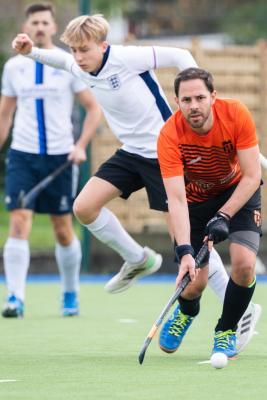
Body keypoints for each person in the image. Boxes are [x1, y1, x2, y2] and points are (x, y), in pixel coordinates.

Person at [11, 14, 261, 351]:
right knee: (84, 207)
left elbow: (178, 57)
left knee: (183, 237)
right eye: (74, 50)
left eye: (83, 50)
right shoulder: (79, 65)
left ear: (103, 46)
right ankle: (138, 258)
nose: (77, 57)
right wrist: (31, 53)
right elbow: (60, 60)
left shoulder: (127, 57)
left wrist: (192, 85)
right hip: (131, 153)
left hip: (165, 151)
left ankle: (241, 314)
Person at [0, 3, 102, 318]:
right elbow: (5, 115)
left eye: (45, 22)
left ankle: (70, 291)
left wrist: (80, 146)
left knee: (62, 228)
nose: (40, 27)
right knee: (18, 222)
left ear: (54, 28)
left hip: (61, 157)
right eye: (35, 22)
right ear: (27, 27)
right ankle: (15, 297)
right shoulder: (14, 67)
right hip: (23, 156)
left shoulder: (69, 63)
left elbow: (93, 109)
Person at [157, 67, 262, 358]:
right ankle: (186, 312)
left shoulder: (236, 114)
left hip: (238, 193)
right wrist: (185, 250)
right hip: (194, 203)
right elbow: (176, 200)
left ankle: (226, 330)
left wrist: (225, 215)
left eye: (200, 98)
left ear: (213, 96)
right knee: (193, 283)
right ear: (177, 101)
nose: (194, 106)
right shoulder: (169, 135)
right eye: (186, 100)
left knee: (243, 265)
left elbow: (253, 176)